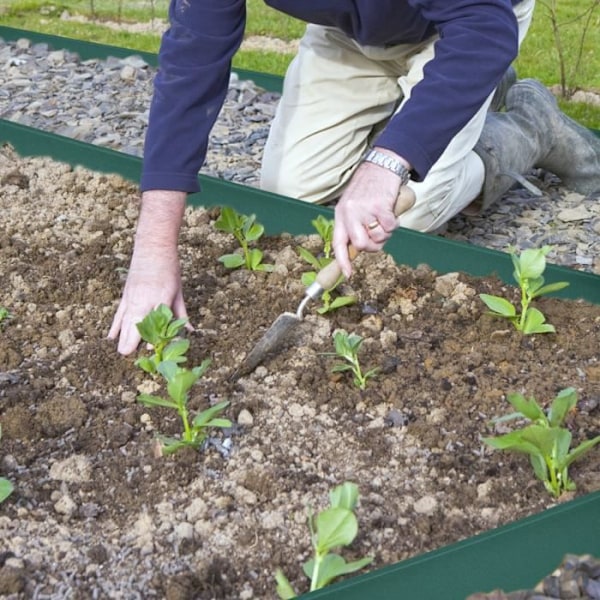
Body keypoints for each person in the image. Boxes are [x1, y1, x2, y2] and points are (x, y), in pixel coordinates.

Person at [108, 0, 600, 355]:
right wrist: (152, 250)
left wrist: (387, 164)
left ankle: (528, 125)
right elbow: (191, 64)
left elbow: (483, 27)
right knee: (291, 192)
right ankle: (448, 102)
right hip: (348, 31)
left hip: (467, 27)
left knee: (415, 208)